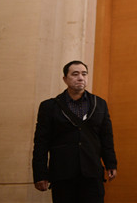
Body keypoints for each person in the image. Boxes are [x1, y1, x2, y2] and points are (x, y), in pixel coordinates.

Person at [32, 61, 117, 203]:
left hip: (92, 172)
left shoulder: (99, 103)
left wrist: (111, 163)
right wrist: (40, 174)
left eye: (84, 74)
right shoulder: (49, 106)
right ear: (65, 79)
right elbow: (41, 142)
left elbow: (106, 137)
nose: (80, 78)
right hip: (63, 173)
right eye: (75, 74)